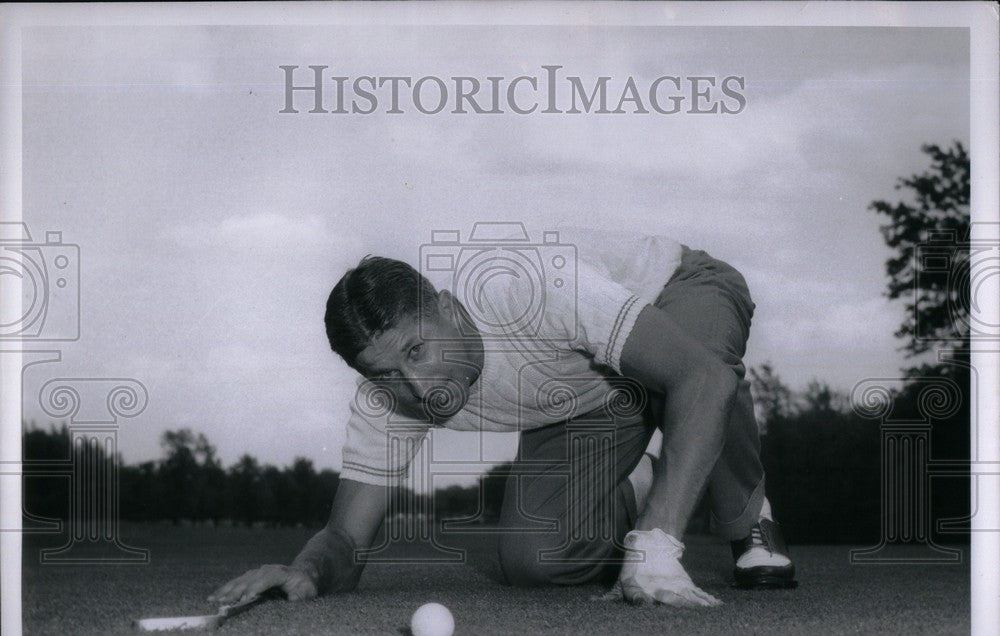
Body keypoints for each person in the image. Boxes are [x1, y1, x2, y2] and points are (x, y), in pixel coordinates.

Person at [209, 225, 796, 608]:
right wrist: (306, 572)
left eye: (417, 350)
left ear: (447, 308)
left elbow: (700, 377)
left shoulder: (526, 289)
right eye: (385, 376)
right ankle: (646, 479)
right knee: (537, 559)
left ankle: (746, 517)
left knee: (702, 372)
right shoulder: (390, 398)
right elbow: (344, 538)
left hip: (673, 292)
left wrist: (658, 549)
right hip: (592, 393)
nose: (416, 388)